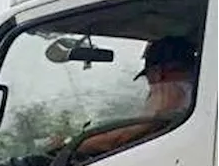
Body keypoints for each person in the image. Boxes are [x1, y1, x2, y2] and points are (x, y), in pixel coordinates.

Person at [68, 36, 198, 156]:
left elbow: (126, 135)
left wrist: (73, 144)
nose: (149, 84)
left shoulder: (168, 90)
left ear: (157, 72)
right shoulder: (197, 90)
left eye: (148, 77)